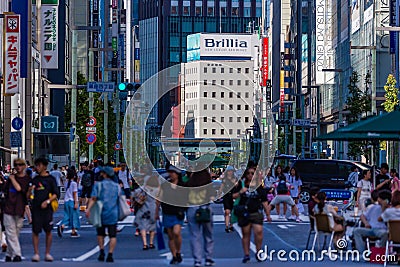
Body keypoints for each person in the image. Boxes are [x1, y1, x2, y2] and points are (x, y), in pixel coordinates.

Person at [232, 167, 270, 263]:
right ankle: (246, 254)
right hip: (245, 213)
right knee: (246, 234)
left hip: (256, 212)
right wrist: (241, 191)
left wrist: (268, 214)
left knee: (259, 232)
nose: (250, 175)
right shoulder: (242, 184)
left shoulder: (259, 186)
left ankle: (258, 251)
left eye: (252, 173)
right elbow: (233, 196)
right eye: (248, 173)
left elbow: (264, 201)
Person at [86, 166, 121, 263]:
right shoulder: (116, 186)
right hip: (113, 213)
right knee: (112, 235)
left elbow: (93, 198)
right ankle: (110, 254)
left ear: (105, 174)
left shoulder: (99, 185)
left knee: (100, 234)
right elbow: (120, 199)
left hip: (100, 213)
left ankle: (101, 252)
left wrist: (88, 209)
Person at [28, 158, 59, 262]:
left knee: (48, 231)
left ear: (45, 166)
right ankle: (36, 253)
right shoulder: (35, 179)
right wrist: (29, 191)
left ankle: (47, 253)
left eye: (39, 165)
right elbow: (28, 195)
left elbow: (56, 194)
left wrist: (48, 201)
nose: (37, 167)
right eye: (36, 165)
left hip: (47, 209)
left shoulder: (51, 179)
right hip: (36, 209)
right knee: (35, 231)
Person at [155, 165, 186, 265]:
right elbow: (159, 198)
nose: (171, 174)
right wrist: (156, 211)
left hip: (178, 213)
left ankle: (179, 251)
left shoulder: (182, 185)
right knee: (170, 236)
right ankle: (174, 255)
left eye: (173, 172)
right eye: (170, 172)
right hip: (167, 211)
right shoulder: (165, 185)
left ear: (177, 174)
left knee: (177, 232)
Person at [2, 159, 30, 262]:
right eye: (16, 165)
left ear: (24, 166)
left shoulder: (26, 179)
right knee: (11, 233)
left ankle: (9, 254)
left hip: (19, 209)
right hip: (8, 208)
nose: (18, 167)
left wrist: (13, 179)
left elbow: (20, 190)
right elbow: (4, 192)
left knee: (15, 233)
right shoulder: (9, 180)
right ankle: (17, 254)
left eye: (20, 165)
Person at [186, 166, 215, 267]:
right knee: (208, 235)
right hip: (205, 208)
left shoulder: (190, 184)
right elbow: (212, 197)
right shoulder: (207, 184)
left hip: (192, 208)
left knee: (195, 236)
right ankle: (208, 258)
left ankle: (197, 260)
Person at [133, 172, 159, 250]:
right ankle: (151, 243)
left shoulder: (143, 188)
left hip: (144, 209)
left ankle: (145, 244)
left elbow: (134, 194)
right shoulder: (157, 189)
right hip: (153, 209)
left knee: (143, 226)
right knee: (152, 226)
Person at [57, 169, 80, 238]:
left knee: (67, 215)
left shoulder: (66, 183)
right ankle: (73, 230)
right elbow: (75, 194)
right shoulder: (74, 184)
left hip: (66, 201)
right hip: (72, 201)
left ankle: (63, 225)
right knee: (74, 216)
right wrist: (76, 202)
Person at [219, 166, 237, 233]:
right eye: (229, 171)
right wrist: (219, 195)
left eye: (231, 171)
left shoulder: (235, 179)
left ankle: (231, 225)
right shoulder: (224, 180)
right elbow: (221, 188)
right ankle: (227, 226)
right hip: (226, 196)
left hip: (233, 196)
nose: (230, 172)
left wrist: (234, 183)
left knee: (232, 212)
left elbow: (237, 186)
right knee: (227, 211)